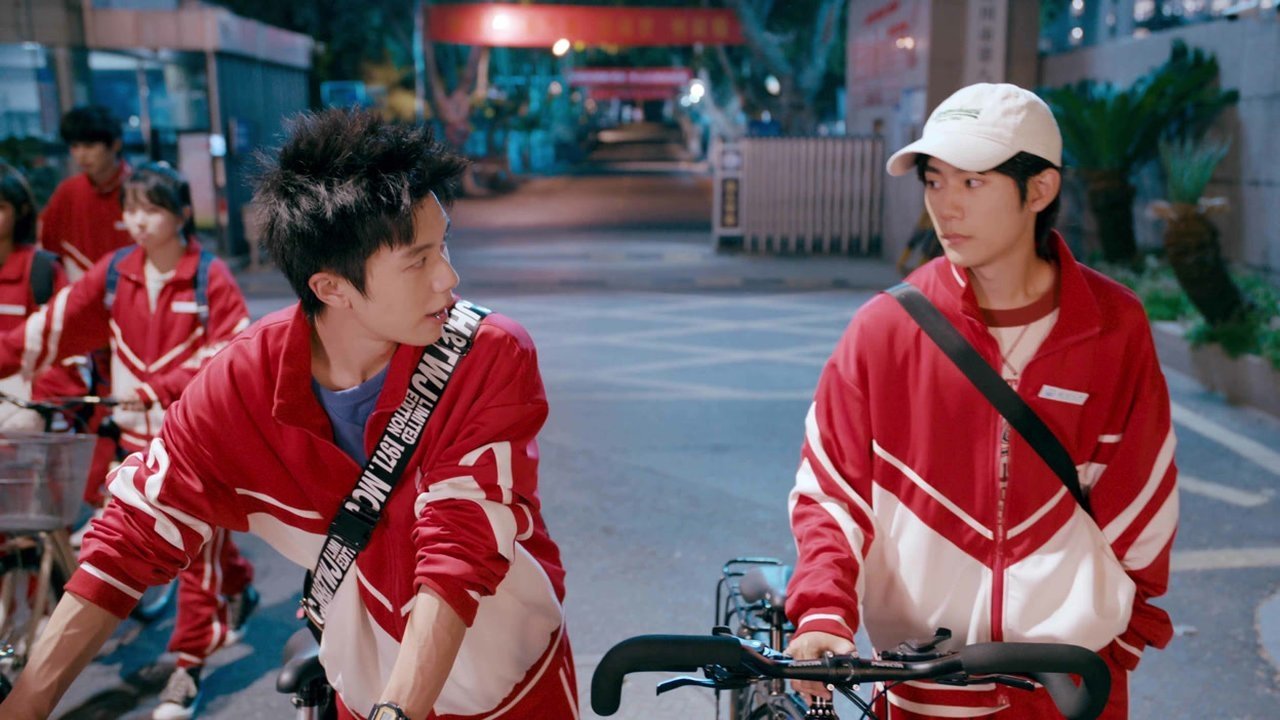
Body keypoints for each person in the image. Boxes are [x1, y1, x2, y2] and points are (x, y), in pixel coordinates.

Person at [0, 109, 577, 720]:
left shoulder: (487, 353)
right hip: (364, 684)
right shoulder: (242, 382)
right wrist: (26, 704)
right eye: (418, 260)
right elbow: (132, 534)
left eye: (444, 246)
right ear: (331, 288)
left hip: (511, 685)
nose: (449, 278)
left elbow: (459, 549)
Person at [783, 83, 1178, 719]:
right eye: (934, 181)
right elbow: (832, 491)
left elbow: (1144, 499)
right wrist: (823, 612)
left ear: (1039, 190)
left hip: (1068, 688)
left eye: (972, 182)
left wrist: (1121, 642)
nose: (946, 205)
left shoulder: (1112, 326)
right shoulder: (886, 328)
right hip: (919, 685)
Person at [0, 162, 258, 720]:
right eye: (131, 209)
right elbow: (49, 328)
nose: (137, 221)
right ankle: (240, 586)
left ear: (182, 213)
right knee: (195, 545)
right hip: (134, 444)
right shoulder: (115, 272)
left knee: (197, 556)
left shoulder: (209, 276)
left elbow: (230, 354)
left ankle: (188, 665)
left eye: (152, 209)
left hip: (198, 444)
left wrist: (159, 388)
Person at [0, 162, 74, 430]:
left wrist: (38, 409)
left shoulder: (41, 270)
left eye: (0, 207)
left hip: (27, 425)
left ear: (20, 211)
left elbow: (69, 350)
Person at [39, 105, 135, 281]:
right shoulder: (67, 192)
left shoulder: (138, 190)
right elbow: (49, 247)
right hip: (80, 287)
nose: (81, 155)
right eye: (75, 146)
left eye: (89, 146)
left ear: (115, 144)